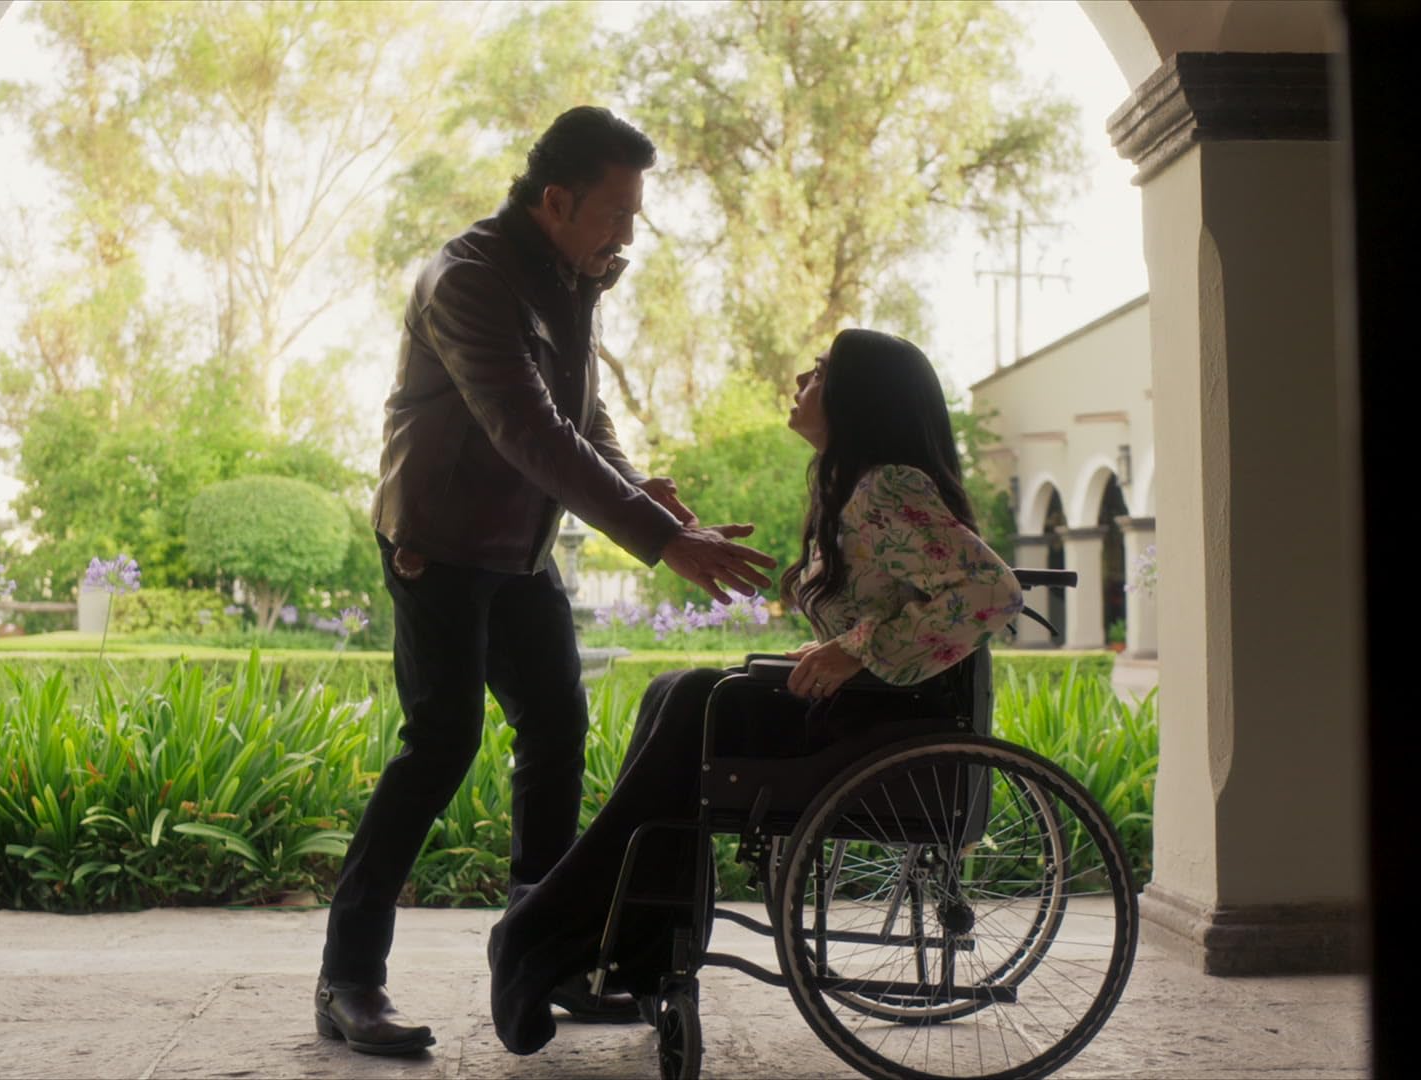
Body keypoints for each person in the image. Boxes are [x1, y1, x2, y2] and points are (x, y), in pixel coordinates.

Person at [314, 106, 778, 1057]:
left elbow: (583, 416)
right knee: (441, 745)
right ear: (557, 200)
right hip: (438, 545)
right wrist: (661, 539)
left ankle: (543, 954)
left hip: (520, 552)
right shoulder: (468, 278)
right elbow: (527, 429)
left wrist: (642, 492)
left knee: (558, 728)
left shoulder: (572, 277)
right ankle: (347, 979)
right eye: (616, 212)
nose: (627, 234)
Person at [485, 327, 1027, 1056]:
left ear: (860, 398)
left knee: (696, 698)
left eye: (820, 372)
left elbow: (991, 592)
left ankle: (548, 933)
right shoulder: (856, 486)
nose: (802, 380)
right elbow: (897, 600)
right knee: (676, 691)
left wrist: (856, 649)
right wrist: (840, 647)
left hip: (881, 726)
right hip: (866, 710)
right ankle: (625, 942)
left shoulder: (886, 488)